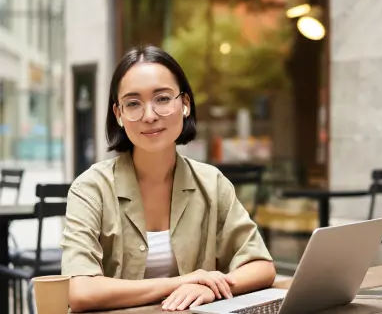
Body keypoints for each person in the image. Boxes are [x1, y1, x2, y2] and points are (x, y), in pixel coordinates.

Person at [61, 45, 275, 313]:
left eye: (162, 99)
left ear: (184, 104)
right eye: (133, 104)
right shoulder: (91, 188)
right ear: (119, 115)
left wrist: (208, 287)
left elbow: (261, 266)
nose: (149, 115)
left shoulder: (211, 183)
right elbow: (81, 291)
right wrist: (181, 282)